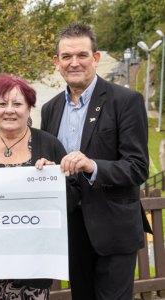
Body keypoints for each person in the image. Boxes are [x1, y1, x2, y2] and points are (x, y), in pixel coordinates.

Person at [40, 23, 152, 300]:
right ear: (57, 62)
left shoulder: (126, 101)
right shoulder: (50, 108)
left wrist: (93, 165)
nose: (74, 63)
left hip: (114, 229)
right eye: (66, 56)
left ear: (96, 58)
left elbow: (137, 167)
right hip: (71, 230)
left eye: (82, 55)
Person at [0, 74, 81, 300]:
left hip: (33, 266)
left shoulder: (49, 144)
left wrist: (56, 179)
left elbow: (72, 201)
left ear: (29, 109)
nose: (9, 110)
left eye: (17, 104)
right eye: (2, 104)